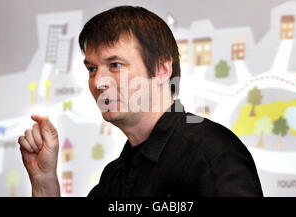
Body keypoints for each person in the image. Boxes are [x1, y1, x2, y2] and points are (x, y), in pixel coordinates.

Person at [18, 5, 263, 197]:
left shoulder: (211, 153)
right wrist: (44, 181)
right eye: (92, 68)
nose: (98, 82)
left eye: (115, 65)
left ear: (162, 68)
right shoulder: (114, 177)